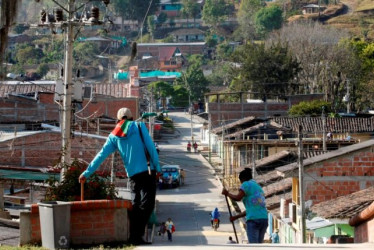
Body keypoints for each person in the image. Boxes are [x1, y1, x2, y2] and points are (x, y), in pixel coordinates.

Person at [78, 107, 161, 246]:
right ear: (131, 118)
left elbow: (101, 155)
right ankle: (136, 235)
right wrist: (158, 168)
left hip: (133, 175)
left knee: (136, 205)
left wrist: (87, 172)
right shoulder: (139, 126)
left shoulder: (114, 135)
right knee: (147, 205)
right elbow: (151, 147)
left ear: (118, 120)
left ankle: (134, 236)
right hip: (148, 171)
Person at [222, 168, 268, 244]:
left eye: (240, 181)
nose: (240, 184)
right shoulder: (258, 188)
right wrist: (236, 217)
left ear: (243, 179)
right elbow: (252, 209)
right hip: (264, 219)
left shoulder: (246, 184)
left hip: (253, 221)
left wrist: (227, 194)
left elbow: (238, 198)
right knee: (259, 246)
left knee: (253, 247)